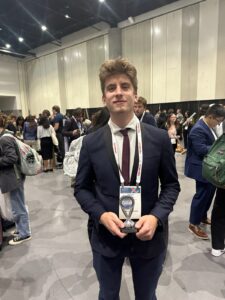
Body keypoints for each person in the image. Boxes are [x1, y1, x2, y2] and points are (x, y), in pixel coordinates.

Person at [75, 58, 180, 300]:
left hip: (149, 236)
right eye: (111, 88)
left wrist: (156, 217)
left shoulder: (159, 139)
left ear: (135, 95)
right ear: (104, 98)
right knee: (108, 294)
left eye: (125, 86)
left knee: (146, 295)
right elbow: (81, 188)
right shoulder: (91, 143)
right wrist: (100, 214)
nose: (118, 92)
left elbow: (172, 186)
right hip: (106, 237)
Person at [185, 104, 225, 240]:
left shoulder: (209, 126)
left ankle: (202, 217)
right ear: (210, 116)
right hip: (200, 169)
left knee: (209, 195)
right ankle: (193, 223)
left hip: (209, 169)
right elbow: (201, 149)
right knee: (201, 196)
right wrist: (221, 150)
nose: (219, 123)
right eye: (218, 121)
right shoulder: (198, 129)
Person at [0, 114, 31, 245]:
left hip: (13, 176)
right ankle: (20, 229)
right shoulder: (7, 135)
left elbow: (12, 158)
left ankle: (24, 233)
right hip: (14, 176)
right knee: (16, 204)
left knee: (18, 205)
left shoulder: (4, 139)